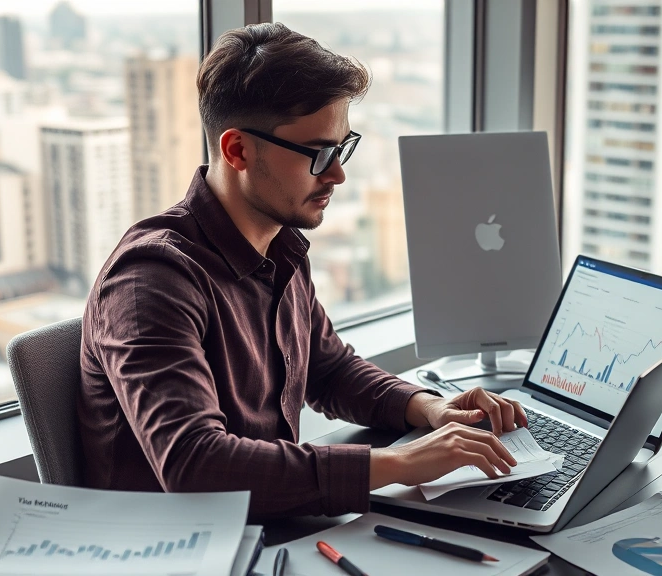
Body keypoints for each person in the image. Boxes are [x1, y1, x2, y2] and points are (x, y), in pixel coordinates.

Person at [78, 22, 527, 519]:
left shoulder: (281, 246)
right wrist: (398, 462)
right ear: (237, 151)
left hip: (272, 526)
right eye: (319, 154)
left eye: (342, 147)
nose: (337, 173)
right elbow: (194, 465)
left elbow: (329, 369)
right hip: (177, 548)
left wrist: (430, 408)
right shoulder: (151, 279)